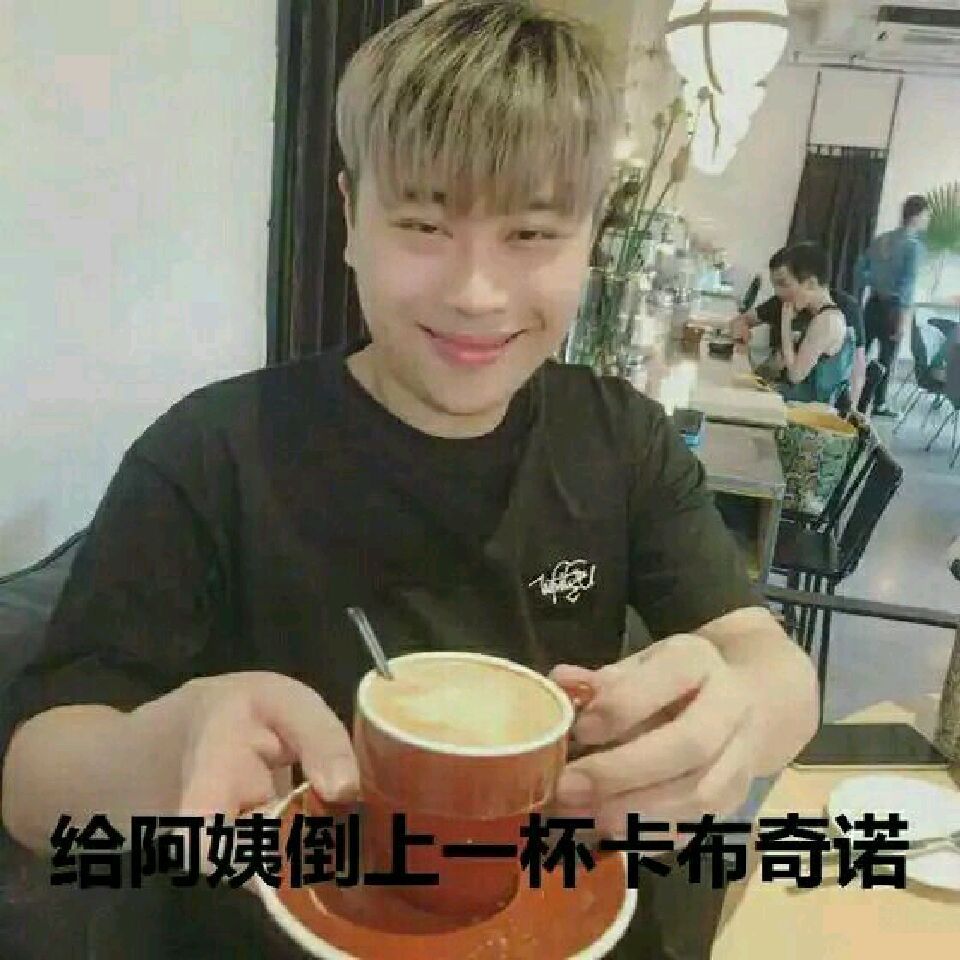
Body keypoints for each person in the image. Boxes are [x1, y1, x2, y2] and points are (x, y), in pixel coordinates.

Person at [0, 2, 817, 954]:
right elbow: (33, 780)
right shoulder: (211, 452)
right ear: (352, 217)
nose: (476, 292)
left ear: (590, 234)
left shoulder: (621, 441)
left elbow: (773, 667)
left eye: (531, 234)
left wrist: (738, 716)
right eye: (424, 223)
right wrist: (156, 754)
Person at [732, 244, 867, 407]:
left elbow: (796, 375)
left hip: (803, 406)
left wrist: (785, 324)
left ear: (810, 283)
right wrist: (741, 339)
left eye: (784, 284)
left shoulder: (835, 315)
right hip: (787, 393)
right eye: (775, 286)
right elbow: (741, 320)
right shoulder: (788, 302)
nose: (778, 293)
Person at [855, 194, 931, 416]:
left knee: (861, 352)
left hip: (872, 303)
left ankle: (851, 394)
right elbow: (907, 286)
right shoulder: (913, 247)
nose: (927, 220)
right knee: (886, 358)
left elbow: (860, 268)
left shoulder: (882, 239)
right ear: (917, 216)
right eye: (926, 215)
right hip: (893, 308)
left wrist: (875, 282)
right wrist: (902, 321)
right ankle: (878, 403)